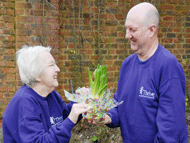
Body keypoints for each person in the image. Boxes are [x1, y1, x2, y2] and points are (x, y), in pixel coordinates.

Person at [90, 2, 188, 142]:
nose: (126, 35)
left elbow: (171, 131)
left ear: (152, 30)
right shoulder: (127, 65)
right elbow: (119, 104)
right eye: (126, 29)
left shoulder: (168, 67)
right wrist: (107, 117)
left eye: (132, 30)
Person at [3, 45, 91, 142]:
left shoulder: (52, 95)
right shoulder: (25, 102)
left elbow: (62, 119)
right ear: (36, 74)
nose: (58, 69)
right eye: (51, 65)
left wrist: (79, 101)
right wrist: (70, 120)